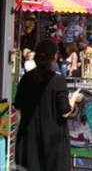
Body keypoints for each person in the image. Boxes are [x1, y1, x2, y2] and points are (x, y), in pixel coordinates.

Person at [14, 40, 83, 171]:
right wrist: (73, 98)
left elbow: (17, 104)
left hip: (28, 140)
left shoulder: (26, 78)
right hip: (53, 143)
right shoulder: (58, 81)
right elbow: (65, 111)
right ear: (54, 57)